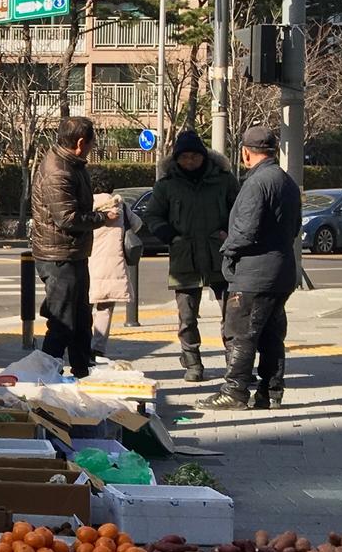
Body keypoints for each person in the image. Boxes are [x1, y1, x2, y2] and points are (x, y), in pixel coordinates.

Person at [203, 123, 303, 411]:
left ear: (246, 153)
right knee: (272, 334)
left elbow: (245, 231)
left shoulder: (256, 183)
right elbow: (294, 227)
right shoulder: (287, 182)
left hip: (254, 274)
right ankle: (271, 390)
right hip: (281, 270)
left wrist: (228, 250)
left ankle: (234, 390)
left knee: (240, 333)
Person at [145, 129, 239, 382]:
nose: (188, 162)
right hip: (184, 256)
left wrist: (228, 233)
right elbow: (153, 215)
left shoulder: (223, 180)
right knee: (187, 316)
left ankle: (235, 364)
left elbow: (240, 211)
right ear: (176, 159)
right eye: (183, 157)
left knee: (231, 314)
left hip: (220, 254)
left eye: (193, 157)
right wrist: (168, 235)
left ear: (204, 156)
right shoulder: (167, 185)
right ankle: (192, 362)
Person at [29, 115, 118, 377]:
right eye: (91, 143)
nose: (92, 148)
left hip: (73, 252)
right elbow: (66, 218)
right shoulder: (59, 170)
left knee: (81, 318)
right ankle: (46, 374)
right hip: (58, 255)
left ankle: (81, 369)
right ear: (81, 143)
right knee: (62, 320)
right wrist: (102, 218)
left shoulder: (73, 165)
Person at [87, 189, 143, 358]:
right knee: (105, 307)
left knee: (83, 306)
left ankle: (82, 343)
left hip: (88, 261)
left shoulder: (86, 206)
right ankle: (98, 348)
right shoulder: (121, 206)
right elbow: (138, 224)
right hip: (113, 264)